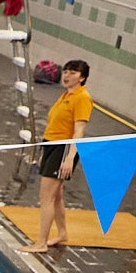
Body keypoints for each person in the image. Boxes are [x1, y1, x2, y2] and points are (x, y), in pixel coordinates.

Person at [21, 60, 93, 253]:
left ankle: (41, 243)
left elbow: (79, 131)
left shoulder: (82, 98)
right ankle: (62, 233)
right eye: (66, 71)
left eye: (73, 73)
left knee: (46, 197)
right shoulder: (67, 95)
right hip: (52, 146)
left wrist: (70, 157)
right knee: (57, 196)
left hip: (63, 150)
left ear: (83, 77)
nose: (67, 75)